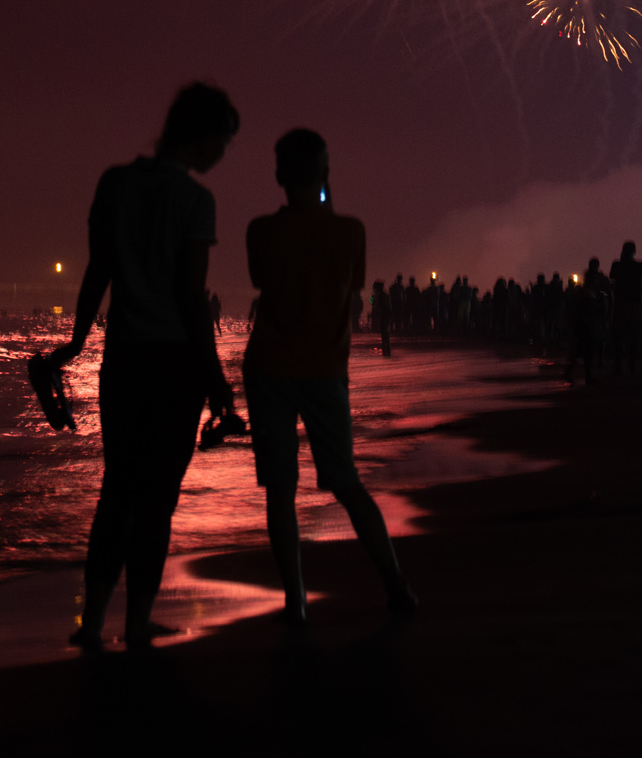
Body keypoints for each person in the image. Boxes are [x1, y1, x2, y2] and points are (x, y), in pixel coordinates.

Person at [49, 81, 239, 650]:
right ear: (200, 137)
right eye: (222, 142)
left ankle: (91, 623)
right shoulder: (195, 201)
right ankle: (136, 626)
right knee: (157, 501)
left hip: (123, 360)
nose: (222, 156)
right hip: (175, 365)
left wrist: (75, 343)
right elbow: (190, 297)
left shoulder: (115, 184)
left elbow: (97, 272)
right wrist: (218, 382)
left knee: (116, 493)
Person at [242, 128, 417, 628]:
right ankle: (396, 585)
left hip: (269, 367)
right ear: (325, 174)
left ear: (278, 175)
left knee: (280, 490)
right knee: (346, 482)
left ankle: (294, 601)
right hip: (324, 370)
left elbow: (263, 280)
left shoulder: (259, 231)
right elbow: (350, 286)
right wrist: (325, 196)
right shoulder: (351, 232)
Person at [609, 242, 642, 376]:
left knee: (618, 336)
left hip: (621, 303)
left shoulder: (617, 265)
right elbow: (641, 277)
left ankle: (619, 365)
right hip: (635, 302)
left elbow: (612, 276)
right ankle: (632, 366)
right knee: (634, 336)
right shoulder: (639, 265)